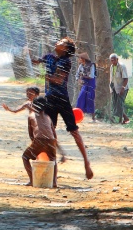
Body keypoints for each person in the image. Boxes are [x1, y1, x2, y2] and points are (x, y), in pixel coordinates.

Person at [30, 38, 93, 180]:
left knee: (74, 132)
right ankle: (53, 166)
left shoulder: (66, 61)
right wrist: (29, 55)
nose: (57, 42)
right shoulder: (49, 57)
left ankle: (86, 163)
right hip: (50, 99)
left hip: (62, 99)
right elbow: (36, 61)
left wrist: (44, 76)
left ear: (65, 49)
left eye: (61, 42)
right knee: (48, 132)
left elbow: (58, 80)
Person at [23, 98, 62, 187]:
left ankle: (32, 180)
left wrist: (36, 148)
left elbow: (31, 134)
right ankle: (54, 182)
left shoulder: (31, 115)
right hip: (51, 140)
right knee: (53, 160)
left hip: (39, 139)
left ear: (33, 106)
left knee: (25, 157)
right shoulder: (48, 117)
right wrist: (60, 151)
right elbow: (54, 135)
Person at [75, 52, 96, 122]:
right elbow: (77, 75)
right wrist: (79, 80)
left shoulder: (91, 65)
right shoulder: (81, 66)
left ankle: (93, 117)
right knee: (81, 98)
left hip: (91, 83)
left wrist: (83, 76)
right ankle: (78, 116)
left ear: (83, 59)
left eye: (80, 58)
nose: (79, 59)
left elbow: (91, 76)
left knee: (90, 99)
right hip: (84, 84)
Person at [109, 53, 129, 124]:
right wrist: (111, 88)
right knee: (115, 104)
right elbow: (112, 78)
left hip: (122, 88)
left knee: (119, 104)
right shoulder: (111, 67)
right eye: (111, 60)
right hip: (114, 87)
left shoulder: (121, 66)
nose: (113, 62)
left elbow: (126, 78)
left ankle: (120, 121)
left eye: (114, 60)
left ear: (117, 59)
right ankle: (125, 118)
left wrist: (123, 88)